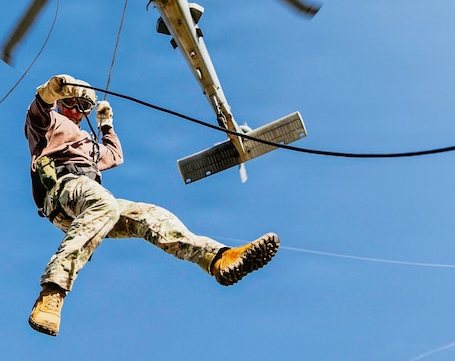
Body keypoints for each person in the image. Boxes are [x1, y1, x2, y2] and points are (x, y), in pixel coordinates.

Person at [25, 73, 279, 336]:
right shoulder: (47, 123)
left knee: (149, 215)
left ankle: (217, 258)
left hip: (91, 204)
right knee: (105, 204)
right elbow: (41, 103)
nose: (76, 111)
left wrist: (106, 126)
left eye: (83, 107)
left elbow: (114, 156)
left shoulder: (87, 143)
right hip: (62, 190)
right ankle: (52, 292)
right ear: (60, 103)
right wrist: (52, 89)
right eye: (70, 103)